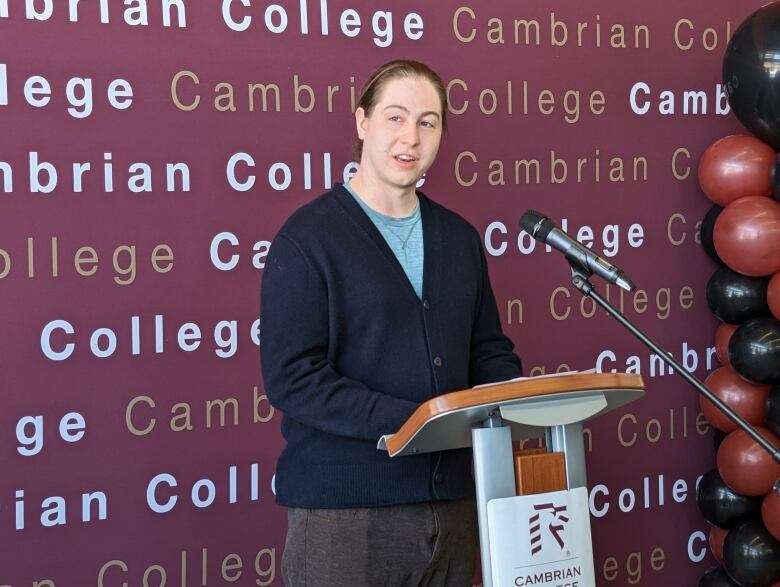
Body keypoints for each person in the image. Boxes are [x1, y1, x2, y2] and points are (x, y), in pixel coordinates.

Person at [260, 59, 522, 587]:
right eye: (395, 117)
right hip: (346, 516)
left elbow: (489, 348)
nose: (412, 137)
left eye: (428, 122)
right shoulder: (307, 238)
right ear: (362, 123)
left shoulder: (460, 238)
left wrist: (508, 394)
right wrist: (416, 420)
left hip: (450, 506)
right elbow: (293, 377)